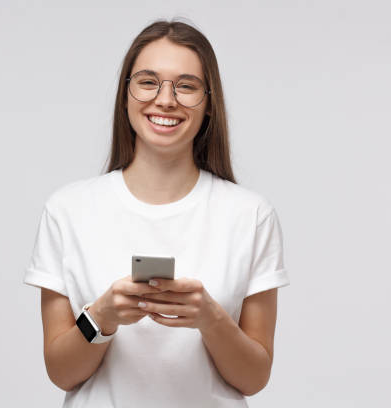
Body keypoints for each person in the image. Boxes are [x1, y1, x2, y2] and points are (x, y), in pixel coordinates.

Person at [23, 19, 290, 408]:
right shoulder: (68, 210)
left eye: (186, 86)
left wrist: (209, 318)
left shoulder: (250, 216)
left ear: (208, 103)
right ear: (125, 95)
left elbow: (254, 377)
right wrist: (101, 317)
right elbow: (61, 372)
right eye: (148, 81)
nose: (166, 100)